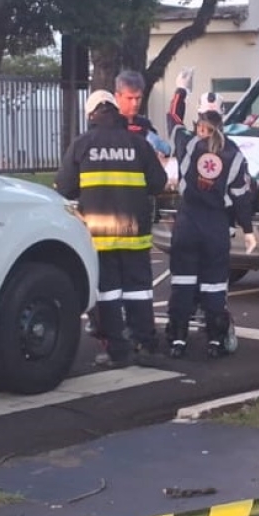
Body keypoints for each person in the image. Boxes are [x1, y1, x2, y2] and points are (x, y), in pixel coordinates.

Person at [56, 90, 170, 368]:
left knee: (106, 293)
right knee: (138, 290)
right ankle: (145, 342)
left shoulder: (82, 144)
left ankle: (116, 350)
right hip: (134, 232)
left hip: (99, 234)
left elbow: (65, 186)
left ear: (92, 114)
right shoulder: (138, 143)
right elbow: (159, 183)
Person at [167, 110, 258, 359]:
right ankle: (215, 341)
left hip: (187, 223)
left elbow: (173, 122)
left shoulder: (188, 144)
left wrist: (181, 92)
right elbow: (241, 196)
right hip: (216, 225)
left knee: (183, 284)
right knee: (214, 286)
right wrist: (248, 230)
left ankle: (177, 339)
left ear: (200, 126)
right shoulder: (234, 154)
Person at [115, 69, 172, 159]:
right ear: (117, 97)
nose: (135, 103)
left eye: (138, 98)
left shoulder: (145, 125)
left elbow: (165, 151)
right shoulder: (110, 124)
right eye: (129, 98)